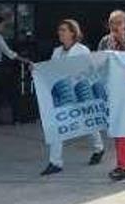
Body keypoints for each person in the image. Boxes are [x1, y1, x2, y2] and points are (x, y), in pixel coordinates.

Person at [40, 20, 104, 175]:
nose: (60, 33)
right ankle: (55, 162)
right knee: (57, 125)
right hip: (63, 93)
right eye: (59, 30)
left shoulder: (82, 50)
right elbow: (52, 69)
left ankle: (99, 148)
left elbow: (91, 70)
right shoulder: (56, 51)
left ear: (73, 33)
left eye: (63, 30)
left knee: (88, 122)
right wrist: (38, 69)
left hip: (80, 92)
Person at [98, 10, 125, 181]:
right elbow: (99, 61)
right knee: (116, 127)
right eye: (111, 23)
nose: (114, 27)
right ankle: (122, 163)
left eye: (118, 23)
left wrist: (122, 42)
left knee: (122, 127)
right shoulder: (104, 40)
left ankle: (124, 165)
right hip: (111, 87)